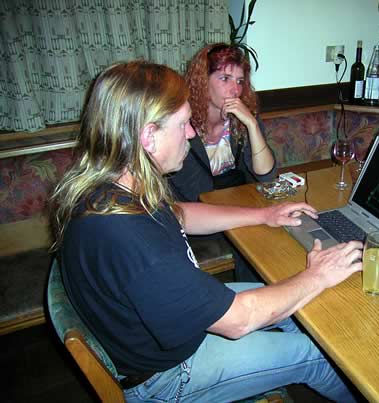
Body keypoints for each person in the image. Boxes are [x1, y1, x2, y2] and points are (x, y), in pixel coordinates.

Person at [50, 61, 362, 402]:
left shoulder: (114, 188)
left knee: (296, 304)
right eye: (183, 124)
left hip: (172, 324)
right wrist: (317, 275)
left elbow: (181, 214)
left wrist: (264, 214)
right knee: (317, 354)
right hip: (168, 375)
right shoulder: (130, 238)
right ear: (148, 136)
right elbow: (239, 320)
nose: (190, 134)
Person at [168, 43, 277, 282]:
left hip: (239, 205)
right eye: (225, 78)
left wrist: (251, 125)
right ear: (202, 82)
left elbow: (266, 175)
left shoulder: (241, 119)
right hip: (196, 215)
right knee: (252, 235)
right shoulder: (183, 125)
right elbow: (193, 191)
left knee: (277, 232)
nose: (235, 89)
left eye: (240, 81)